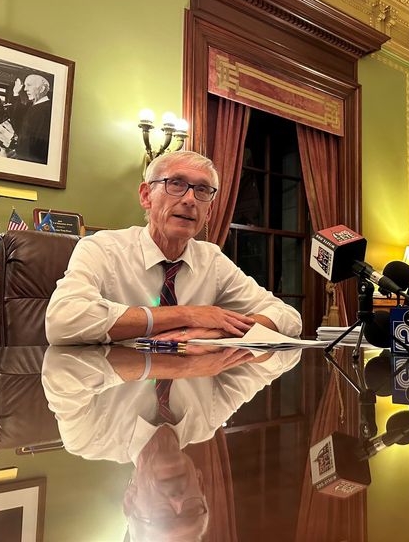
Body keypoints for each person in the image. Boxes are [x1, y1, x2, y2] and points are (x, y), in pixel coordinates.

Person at [42, 343, 301, 541]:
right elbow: (285, 353)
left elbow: (60, 367)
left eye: (163, 517)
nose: (177, 500)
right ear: (200, 483)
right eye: (190, 512)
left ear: (130, 500)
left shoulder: (87, 437)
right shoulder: (207, 419)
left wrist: (183, 366)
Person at [45, 149, 302, 346]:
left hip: (191, 377)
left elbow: (288, 317)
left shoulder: (212, 260)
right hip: (114, 388)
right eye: (176, 184)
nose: (190, 200)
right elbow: (62, 321)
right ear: (146, 196)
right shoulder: (101, 248)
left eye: (202, 190)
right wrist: (186, 315)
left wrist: (220, 331)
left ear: (209, 211)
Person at [6, 74, 52, 164]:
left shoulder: (46, 110)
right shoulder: (34, 106)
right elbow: (17, 119)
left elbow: (36, 146)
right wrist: (15, 93)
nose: (25, 89)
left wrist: (20, 156)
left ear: (42, 89)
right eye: (25, 85)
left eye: (29, 85)